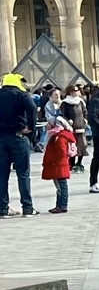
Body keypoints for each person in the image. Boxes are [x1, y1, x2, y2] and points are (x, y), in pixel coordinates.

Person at [0, 72, 38, 216]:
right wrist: (31, 128)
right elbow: (33, 108)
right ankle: (27, 208)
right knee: (23, 174)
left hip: (1, 138)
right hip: (18, 136)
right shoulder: (21, 95)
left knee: (2, 175)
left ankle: (2, 209)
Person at [42, 114, 75, 212]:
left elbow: (61, 152)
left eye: (49, 123)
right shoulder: (55, 135)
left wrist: (52, 160)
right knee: (59, 187)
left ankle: (63, 205)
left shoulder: (59, 136)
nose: (47, 125)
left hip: (59, 165)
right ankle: (59, 205)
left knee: (62, 186)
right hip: (57, 165)